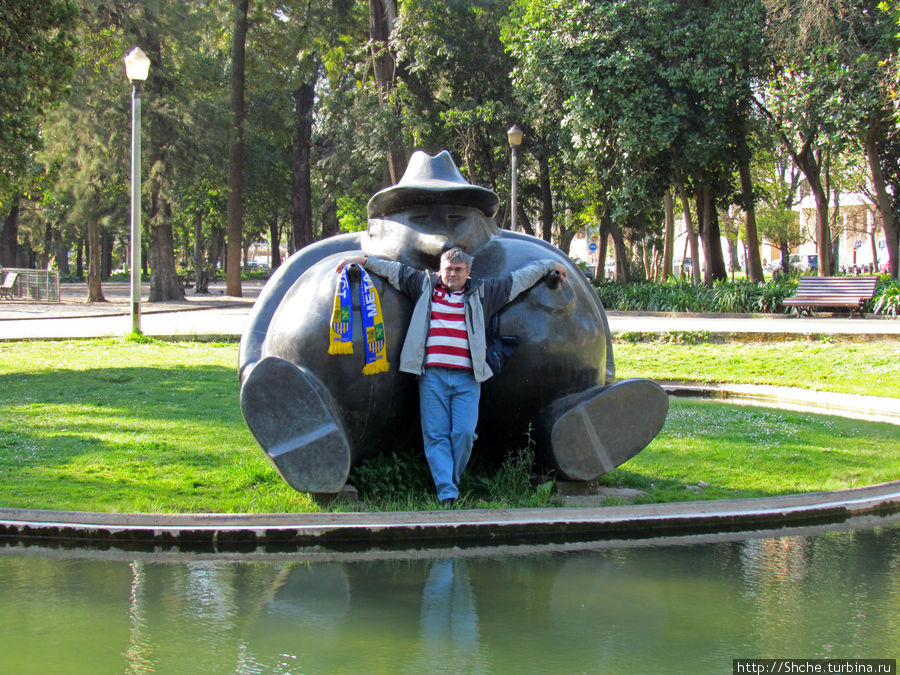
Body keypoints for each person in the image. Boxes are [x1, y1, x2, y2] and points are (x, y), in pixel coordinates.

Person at [336, 246, 567, 506]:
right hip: (432, 375)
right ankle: (447, 492)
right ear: (440, 269)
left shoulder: (485, 292)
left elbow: (520, 280)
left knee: (465, 433)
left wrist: (549, 264)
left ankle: (451, 479)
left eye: (458, 269)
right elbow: (393, 271)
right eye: (448, 269)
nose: (452, 273)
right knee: (435, 435)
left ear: (468, 271)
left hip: (468, 377)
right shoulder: (424, 285)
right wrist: (363, 259)